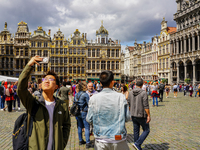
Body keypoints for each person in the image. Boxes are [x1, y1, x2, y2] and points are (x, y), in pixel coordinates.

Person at [17, 56, 71, 150]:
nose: (46, 80)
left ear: (56, 86)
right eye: (44, 79)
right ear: (40, 85)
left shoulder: (62, 105)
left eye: (51, 79)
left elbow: (66, 125)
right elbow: (21, 89)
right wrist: (29, 66)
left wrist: (61, 143)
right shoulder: (34, 102)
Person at [86, 70, 130, 150]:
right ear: (112, 82)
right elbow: (127, 118)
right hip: (118, 138)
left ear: (101, 83)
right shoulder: (121, 97)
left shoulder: (93, 98)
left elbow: (89, 119)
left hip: (101, 139)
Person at [128, 77, 150, 150]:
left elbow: (128, 104)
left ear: (135, 84)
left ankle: (137, 146)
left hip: (133, 114)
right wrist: (148, 115)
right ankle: (137, 144)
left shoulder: (130, 92)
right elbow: (146, 105)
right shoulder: (143, 93)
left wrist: (129, 113)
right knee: (146, 130)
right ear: (142, 84)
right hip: (141, 114)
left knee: (136, 130)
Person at [74, 82, 93, 149]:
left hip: (78, 112)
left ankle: (80, 140)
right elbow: (89, 104)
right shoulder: (85, 94)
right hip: (84, 112)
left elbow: (74, 103)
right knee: (87, 127)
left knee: (79, 126)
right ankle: (88, 142)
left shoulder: (76, 94)